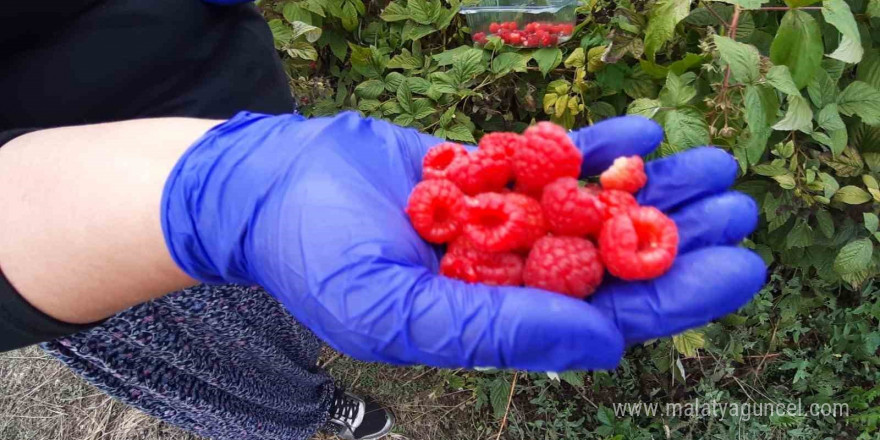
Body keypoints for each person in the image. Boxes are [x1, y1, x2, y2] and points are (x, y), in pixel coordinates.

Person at [0, 1, 767, 440]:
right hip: (67, 240)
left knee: (303, 308)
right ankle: (306, 417)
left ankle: (322, 391)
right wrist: (218, 193)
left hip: (270, 137)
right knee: (230, 370)